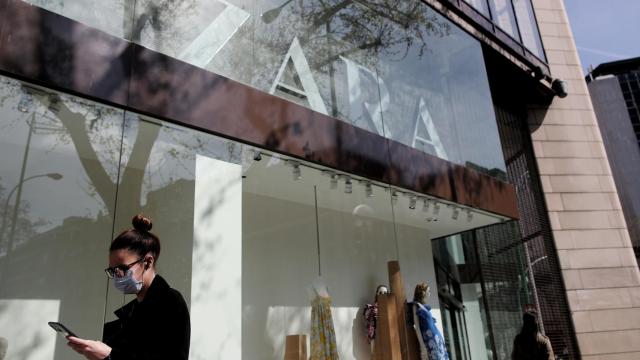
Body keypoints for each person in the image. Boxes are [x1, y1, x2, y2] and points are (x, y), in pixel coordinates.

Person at [67, 214, 191, 360]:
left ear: (148, 262)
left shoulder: (170, 302)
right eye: (113, 271)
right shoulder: (134, 309)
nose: (118, 275)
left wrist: (108, 356)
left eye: (123, 268)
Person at [409, 283, 449, 360]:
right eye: (428, 291)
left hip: (437, 340)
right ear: (423, 292)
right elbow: (417, 327)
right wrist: (422, 346)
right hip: (429, 341)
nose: (430, 293)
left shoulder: (424, 307)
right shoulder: (416, 305)